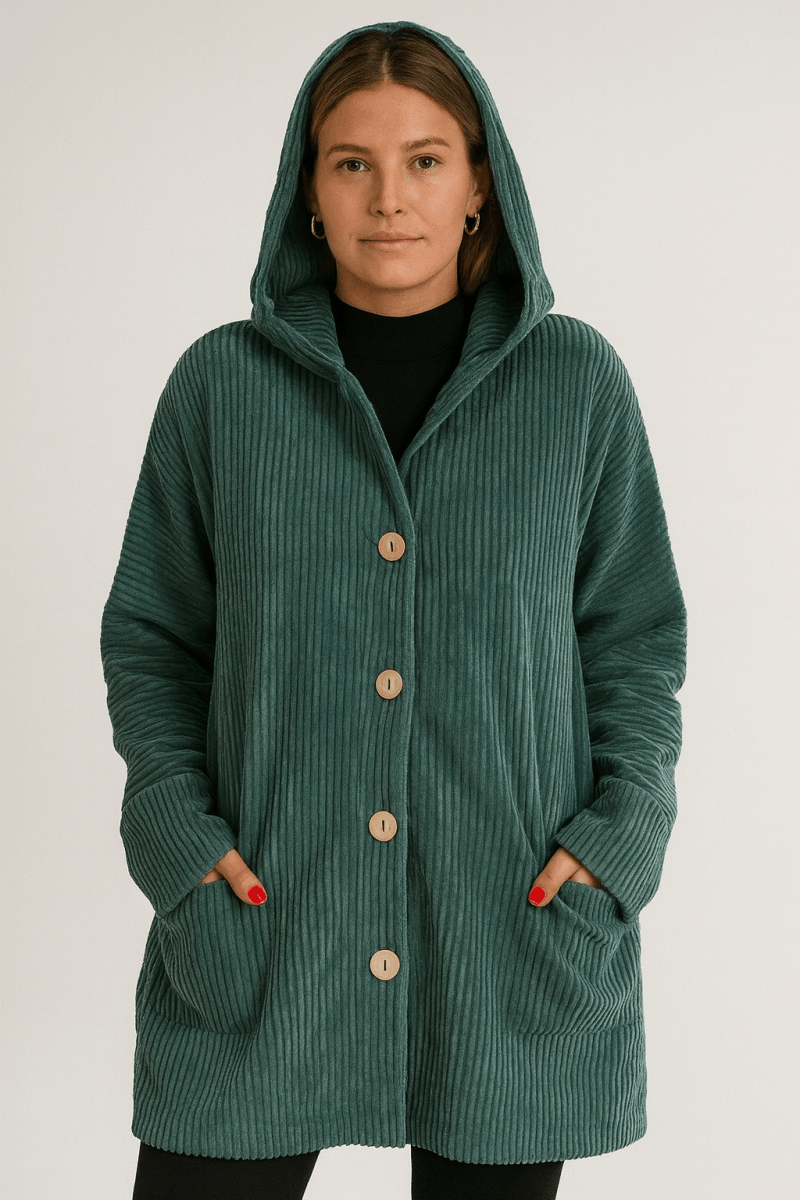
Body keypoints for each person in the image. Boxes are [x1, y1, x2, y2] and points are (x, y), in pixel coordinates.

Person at [100, 18, 687, 1200]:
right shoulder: (220, 387)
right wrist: (177, 839)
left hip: (508, 942)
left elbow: (631, 644)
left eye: (424, 160)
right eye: (350, 162)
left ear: (478, 185)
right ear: (306, 193)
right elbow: (154, 638)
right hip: (264, 934)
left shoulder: (575, 385)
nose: (387, 198)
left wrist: (614, 843)